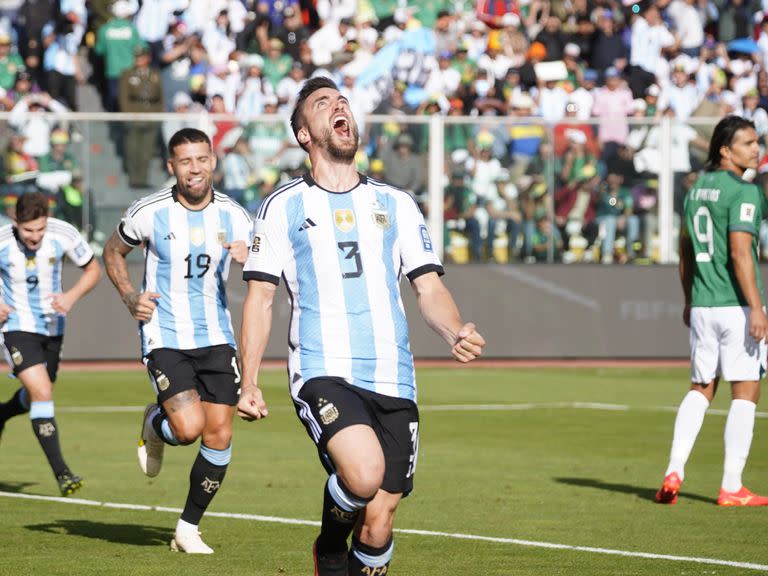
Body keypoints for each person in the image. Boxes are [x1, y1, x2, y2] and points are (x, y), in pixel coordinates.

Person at [237, 76, 486, 575]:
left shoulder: (396, 203)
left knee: (379, 521)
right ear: (304, 134)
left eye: (343, 100)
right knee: (364, 473)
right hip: (324, 368)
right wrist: (249, 382)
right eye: (324, 103)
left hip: (394, 374)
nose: (339, 107)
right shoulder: (281, 206)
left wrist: (454, 330)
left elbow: (429, 288)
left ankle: (346, 555)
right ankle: (329, 546)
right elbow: (261, 297)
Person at [101, 128, 252, 553]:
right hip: (165, 333)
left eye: (201, 159)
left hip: (216, 336)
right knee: (188, 430)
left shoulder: (236, 216)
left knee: (219, 435)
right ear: (172, 167)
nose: (195, 169)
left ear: (213, 162)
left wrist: (252, 257)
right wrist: (131, 296)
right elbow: (112, 252)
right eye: (185, 162)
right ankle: (155, 423)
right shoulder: (148, 211)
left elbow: (267, 268)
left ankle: (187, 528)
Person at [655, 115, 768, 507]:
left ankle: (674, 469)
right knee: (746, 390)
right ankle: (732, 485)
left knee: (701, 389)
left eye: (757, 142)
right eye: (748, 143)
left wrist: (688, 298)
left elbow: (684, 252)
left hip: (702, 305)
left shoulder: (697, 188)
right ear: (725, 149)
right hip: (735, 306)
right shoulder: (745, 192)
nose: (756, 149)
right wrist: (757, 307)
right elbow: (740, 252)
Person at [0, 190, 101, 495]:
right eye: (29, 230)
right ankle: (63, 473)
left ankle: (2, 414)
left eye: (40, 229)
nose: (35, 237)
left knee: (37, 396)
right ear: (16, 221)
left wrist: (70, 296)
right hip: (15, 326)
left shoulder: (64, 233)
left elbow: (93, 269)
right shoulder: (3, 238)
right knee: (42, 391)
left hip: (53, 326)